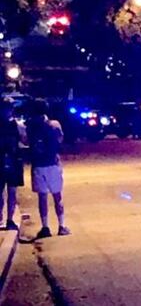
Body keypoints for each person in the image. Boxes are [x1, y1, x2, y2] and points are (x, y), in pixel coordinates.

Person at [26, 100, 70, 238]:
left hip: (38, 165)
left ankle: (45, 227)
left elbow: (26, 141)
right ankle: (61, 226)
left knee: (42, 197)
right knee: (57, 196)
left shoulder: (29, 126)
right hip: (53, 164)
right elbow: (60, 139)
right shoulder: (54, 124)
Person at [0, 99, 24, 230]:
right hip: (4, 160)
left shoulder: (17, 124)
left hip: (14, 160)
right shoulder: (16, 124)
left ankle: (9, 219)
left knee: (12, 192)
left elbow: (24, 140)